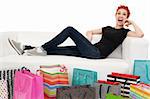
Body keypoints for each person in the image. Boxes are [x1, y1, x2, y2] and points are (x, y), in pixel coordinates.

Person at [8, 5, 144, 59]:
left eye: (124, 14)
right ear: (115, 15)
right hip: (91, 50)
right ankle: (25, 48)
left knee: (70, 30)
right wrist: (87, 41)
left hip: (97, 54)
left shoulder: (125, 32)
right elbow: (89, 31)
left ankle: (40, 48)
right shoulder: (107, 28)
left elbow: (140, 34)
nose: (121, 16)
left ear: (126, 17)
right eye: (119, 13)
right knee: (60, 50)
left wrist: (132, 22)